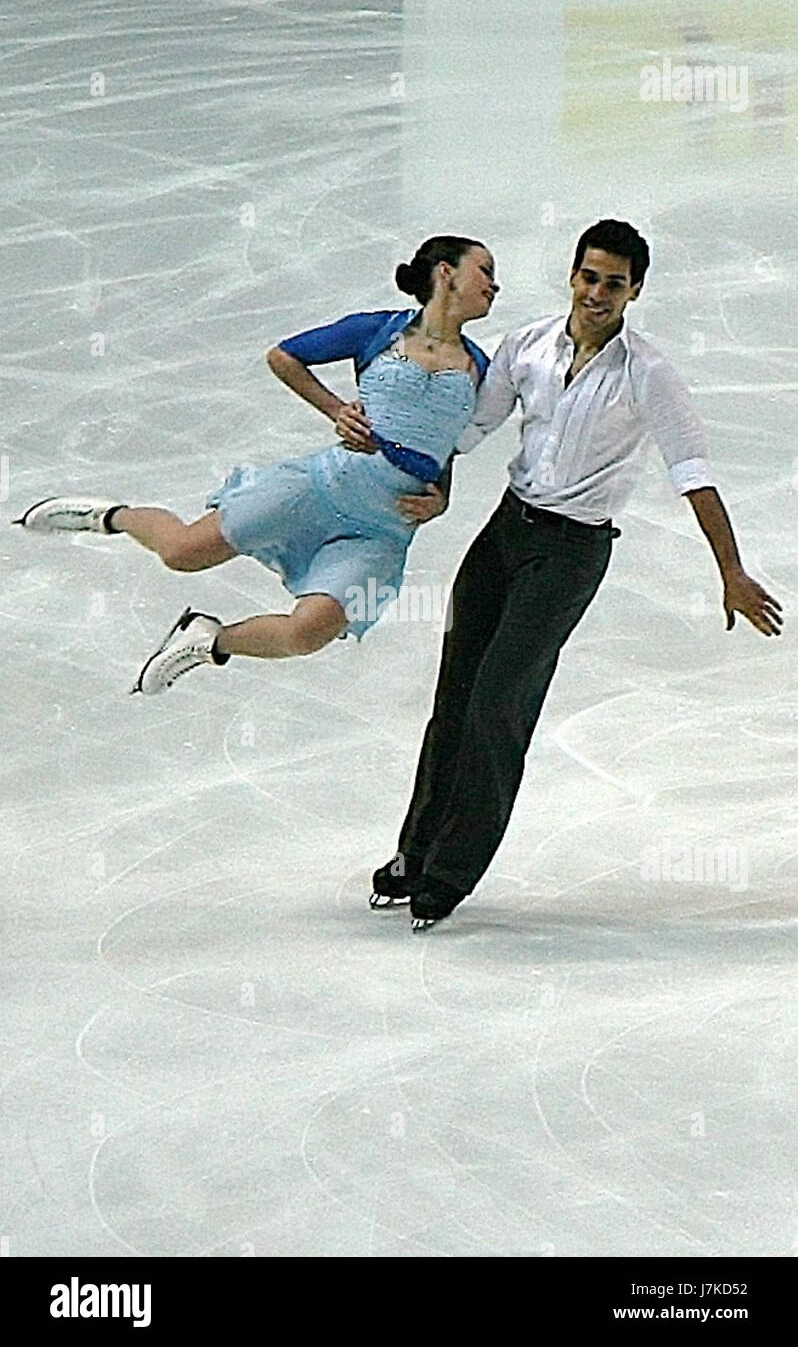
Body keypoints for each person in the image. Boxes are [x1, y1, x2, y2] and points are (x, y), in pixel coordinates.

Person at [370, 219, 783, 931]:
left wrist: (731, 569)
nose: (597, 294)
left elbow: (693, 473)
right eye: (589, 277)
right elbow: (468, 431)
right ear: (572, 276)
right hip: (505, 533)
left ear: (635, 291)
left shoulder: (646, 373)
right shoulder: (526, 346)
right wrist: (408, 465)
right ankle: (415, 853)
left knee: (499, 705)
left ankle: (449, 874)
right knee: (457, 693)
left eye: (614, 284)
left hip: (570, 555)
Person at [13, 236, 497, 691]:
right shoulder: (377, 330)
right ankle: (109, 516)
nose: (493, 285)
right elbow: (284, 356)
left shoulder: (480, 368)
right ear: (445, 273)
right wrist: (336, 410)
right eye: (485, 271)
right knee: (184, 552)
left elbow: (453, 442)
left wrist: (442, 498)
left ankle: (208, 639)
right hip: (320, 488)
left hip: (382, 528)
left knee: (308, 633)